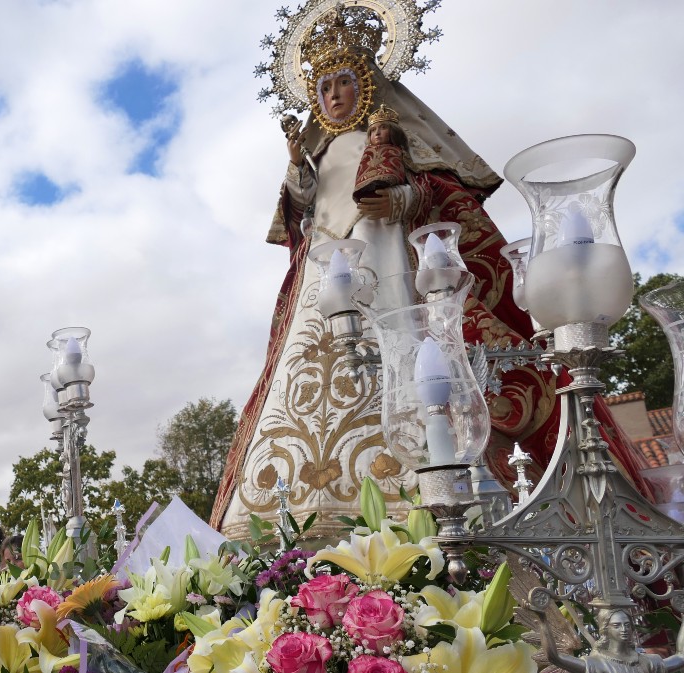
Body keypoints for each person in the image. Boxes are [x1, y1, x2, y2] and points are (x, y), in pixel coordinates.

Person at [210, 0, 650, 537]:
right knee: (305, 374)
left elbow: (438, 193)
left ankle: (419, 491)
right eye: (323, 88)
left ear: (366, 84)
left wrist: (401, 202)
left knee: (405, 354)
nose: (332, 95)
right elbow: (303, 206)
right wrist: (298, 165)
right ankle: (291, 508)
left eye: (342, 83)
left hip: (386, 258)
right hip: (325, 276)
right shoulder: (317, 151)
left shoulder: (389, 133)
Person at [537, 606, 684, 673]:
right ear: (605, 630)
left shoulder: (648, 662)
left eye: (627, 625)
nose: (624, 629)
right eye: (617, 625)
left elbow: (681, 656)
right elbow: (554, 657)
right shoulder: (597, 665)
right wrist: (543, 620)